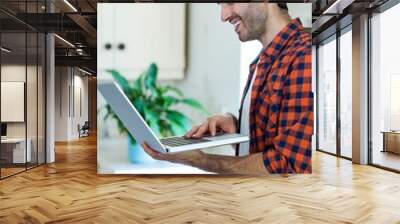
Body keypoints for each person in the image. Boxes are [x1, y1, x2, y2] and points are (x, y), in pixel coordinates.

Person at [142, 3, 313, 175]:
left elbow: (290, 166)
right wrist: (238, 130)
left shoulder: (302, 55)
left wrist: (200, 160)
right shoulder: (263, 60)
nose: (223, 16)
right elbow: (267, 143)